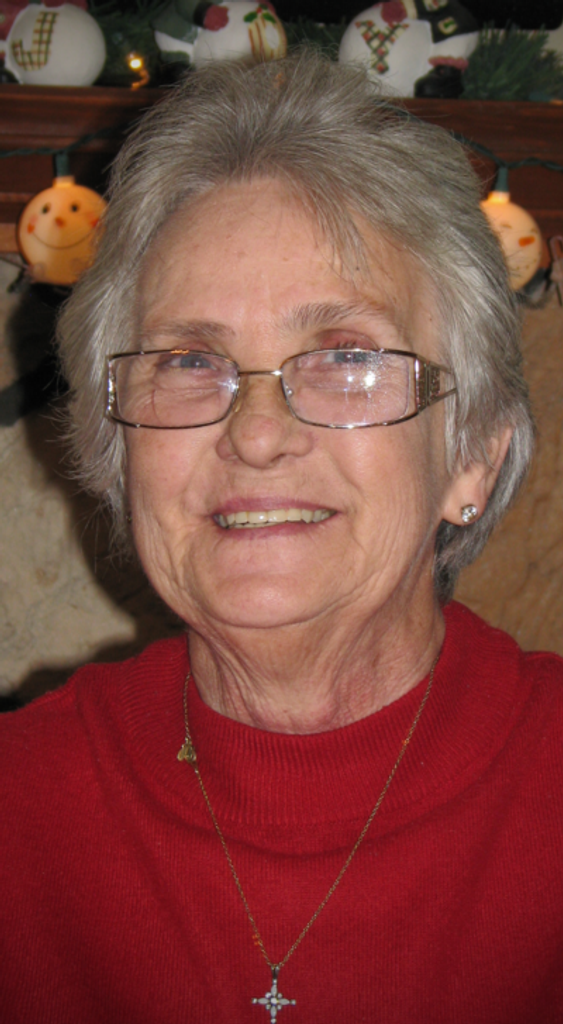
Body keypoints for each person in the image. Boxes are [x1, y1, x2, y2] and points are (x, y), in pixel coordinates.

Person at [1, 51, 562, 1024]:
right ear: (119, 452)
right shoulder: (20, 806)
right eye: (189, 360)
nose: (256, 435)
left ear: (471, 454)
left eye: (344, 356)